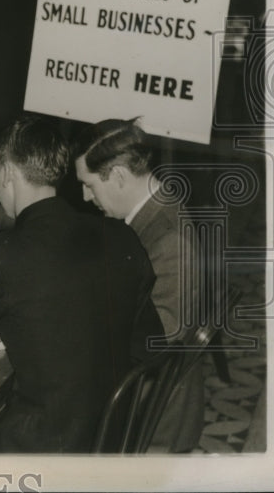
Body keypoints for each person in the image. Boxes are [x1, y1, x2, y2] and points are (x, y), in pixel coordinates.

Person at [0, 115, 161, 453]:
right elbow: (151, 344)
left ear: (7, 172)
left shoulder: (0, 257)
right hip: (111, 442)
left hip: (38, 456)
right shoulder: (121, 237)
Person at [73, 117, 203, 451]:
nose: (86, 198)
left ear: (117, 177)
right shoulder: (150, 218)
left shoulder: (170, 241)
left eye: (89, 185)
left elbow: (154, 347)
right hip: (139, 394)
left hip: (152, 418)